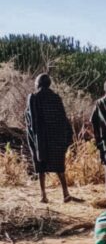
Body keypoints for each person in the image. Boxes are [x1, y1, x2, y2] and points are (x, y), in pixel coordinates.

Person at [24, 73, 76, 204]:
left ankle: (43, 196)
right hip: (56, 139)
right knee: (59, 167)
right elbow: (63, 119)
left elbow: (31, 120)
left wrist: (34, 137)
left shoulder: (34, 98)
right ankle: (65, 193)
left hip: (41, 139)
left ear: (38, 84)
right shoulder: (56, 98)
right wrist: (65, 138)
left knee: (41, 166)